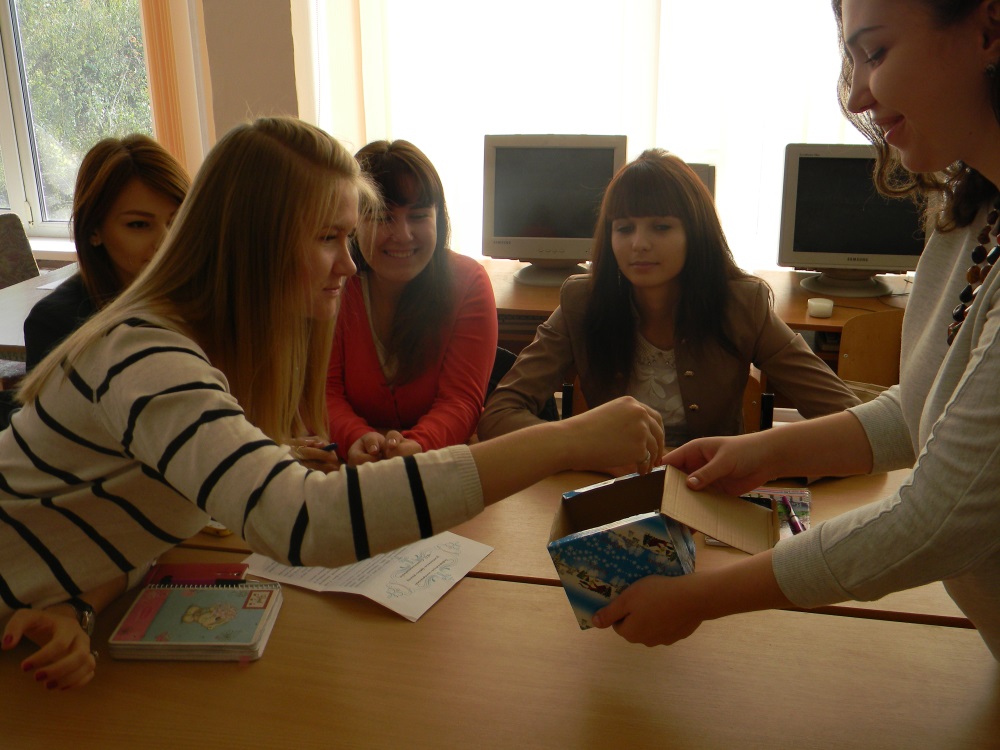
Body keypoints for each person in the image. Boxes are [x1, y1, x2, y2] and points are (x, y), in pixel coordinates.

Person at [0, 116, 665, 689]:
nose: (349, 265)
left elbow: (110, 516)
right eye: (328, 238)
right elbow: (303, 522)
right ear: (254, 241)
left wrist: (75, 603)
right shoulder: (144, 357)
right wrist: (565, 439)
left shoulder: (197, 350)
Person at [592, 0, 1000, 661]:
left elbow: (934, 522)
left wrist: (700, 597)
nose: (858, 95)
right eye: (851, 60)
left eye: (876, 53)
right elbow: (923, 409)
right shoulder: (969, 216)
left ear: (988, 28)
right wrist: (765, 454)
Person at [478, 149, 860, 473]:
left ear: (696, 234)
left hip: (709, 491)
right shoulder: (583, 302)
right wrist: (579, 445)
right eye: (624, 228)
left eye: (661, 227)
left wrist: (757, 452)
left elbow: (850, 420)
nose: (639, 244)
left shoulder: (744, 305)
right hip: (609, 490)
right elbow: (499, 414)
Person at [326, 140, 497, 465]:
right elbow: (325, 392)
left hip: (439, 465)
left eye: (418, 216)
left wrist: (417, 446)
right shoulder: (336, 283)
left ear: (438, 220)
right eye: (382, 218)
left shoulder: (468, 283)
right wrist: (356, 438)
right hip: (351, 465)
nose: (403, 235)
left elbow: (461, 401)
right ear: (353, 223)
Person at [23, 134, 189, 371]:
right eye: (139, 224)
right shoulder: (56, 323)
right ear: (94, 231)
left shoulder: (208, 300)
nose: (166, 241)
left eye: (178, 221)